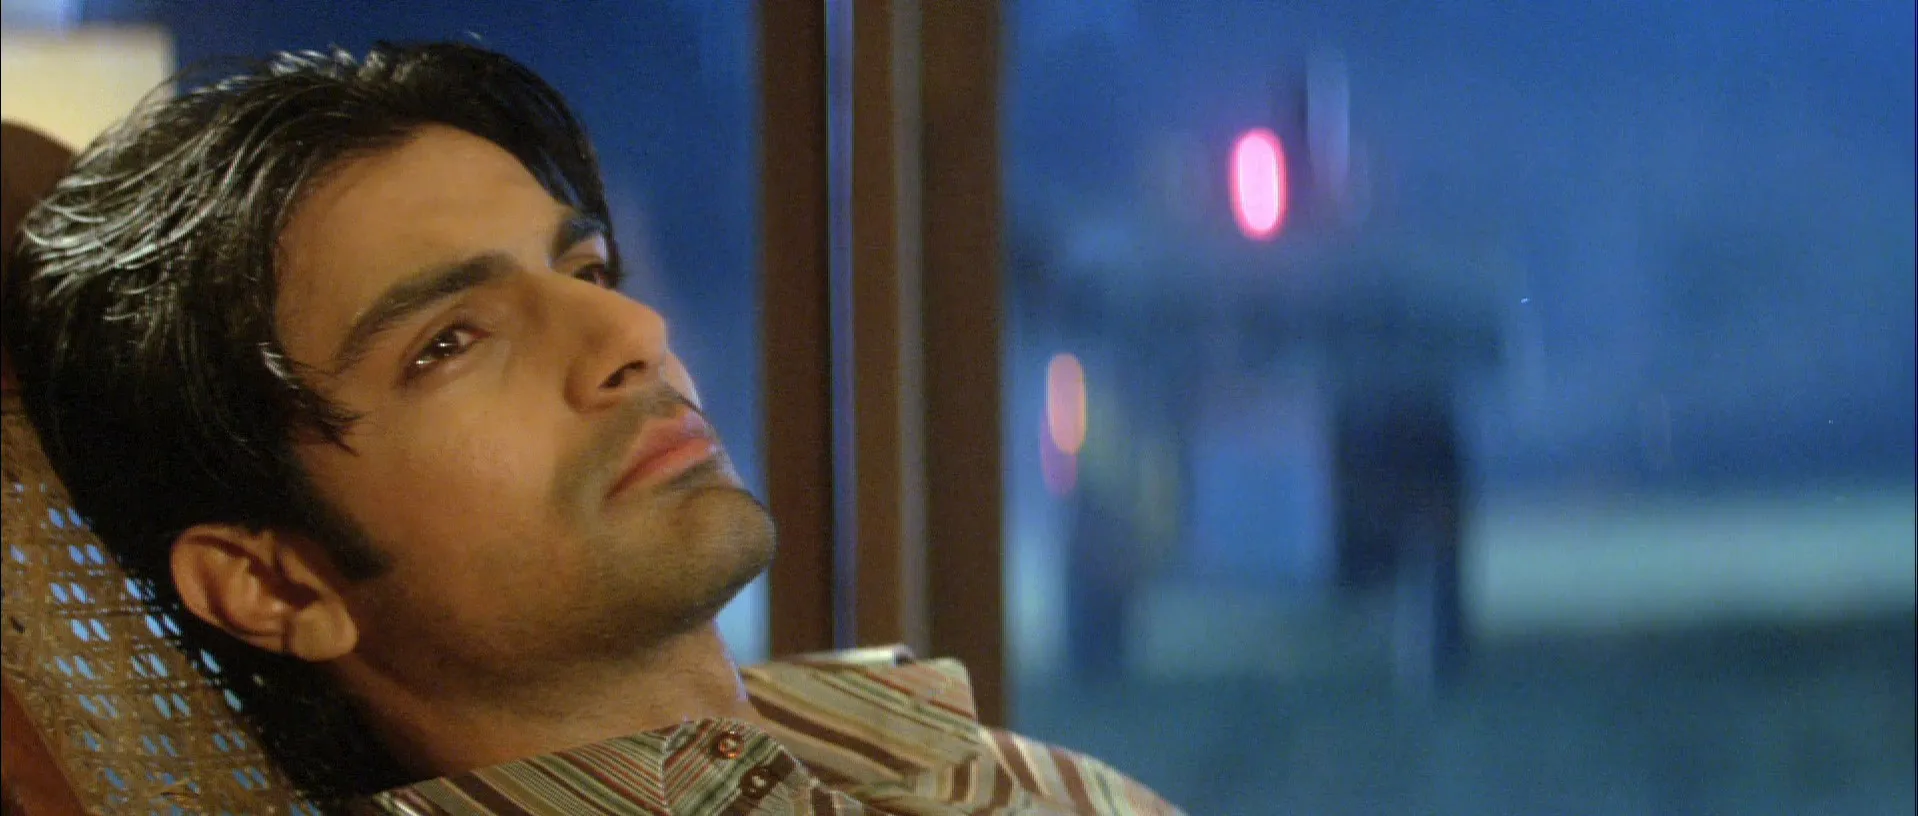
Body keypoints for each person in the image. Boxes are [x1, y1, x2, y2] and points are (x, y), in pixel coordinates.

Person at [3, 42, 1180, 815]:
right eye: (449, 341)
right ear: (274, 584)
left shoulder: (922, 750)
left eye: (586, 269)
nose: (630, 332)